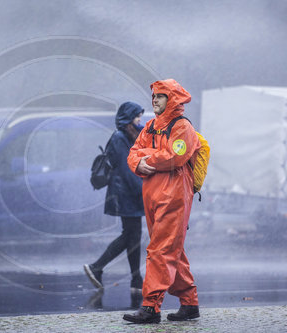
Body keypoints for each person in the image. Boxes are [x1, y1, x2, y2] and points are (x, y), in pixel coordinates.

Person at [123, 79, 201, 324]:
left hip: (174, 196)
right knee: (171, 249)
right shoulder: (151, 126)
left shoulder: (182, 127)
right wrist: (138, 161)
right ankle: (189, 304)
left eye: (160, 96)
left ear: (172, 99)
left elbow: (175, 157)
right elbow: (133, 153)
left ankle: (150, 307)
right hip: (154, 196)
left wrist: (145, 157)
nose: (154, 100)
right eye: (154, 96)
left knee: (161, 250)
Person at [84, 101, 145, 294]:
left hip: (129, 193)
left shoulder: (129, 135)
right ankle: (97, 266)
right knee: (130, 235)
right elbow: (128, 170)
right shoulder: (120, 137)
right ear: (128, 117)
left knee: (134, 235)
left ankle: (136, 280)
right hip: (124, 193)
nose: (139, 120)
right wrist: (144, 191)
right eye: (137, 117)